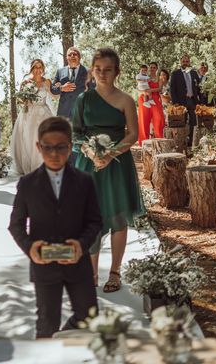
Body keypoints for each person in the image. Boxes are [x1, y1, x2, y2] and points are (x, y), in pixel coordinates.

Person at [9, 117, 102, 338]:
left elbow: (95, 221)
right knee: (46, 323)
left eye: (60, 147)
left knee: (89, 318)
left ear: (70, 147)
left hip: (78, 264)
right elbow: (16, 225)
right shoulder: (28, 184)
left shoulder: (84, 181)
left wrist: (80, 245)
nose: (54, 154)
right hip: (44, 266)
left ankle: (63, 342)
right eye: (48, 148)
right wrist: (30, 248)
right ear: (38, 147)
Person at [72, 48, 144, 293]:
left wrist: (111, 153)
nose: (102, 74)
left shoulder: (126, 100)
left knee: (117, 217)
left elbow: (133, 133)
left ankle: (114, 272)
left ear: (117, 72)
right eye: (98, 69)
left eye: (108, 69)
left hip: (117, 165)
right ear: (92, 70)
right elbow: (76, 133)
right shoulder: (83, 99)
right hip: (88, 164)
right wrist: (91, 152)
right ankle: (91, 272)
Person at [10, 59, 55, 175]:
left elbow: (54, 96)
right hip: (28, 113)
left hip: (44, 113)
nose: (38, 70)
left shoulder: (47, 82)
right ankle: (31, 167)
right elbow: (19, 99)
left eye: (40, 67)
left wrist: (63, 89)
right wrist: (26, 100)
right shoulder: (26, 82)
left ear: (43, 69)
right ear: (32, 68)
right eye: (35, 67)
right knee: (29, 139)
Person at [169, 54, 201, 146]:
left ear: (189, 62)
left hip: (192, 100)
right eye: (183, 61)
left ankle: (191, 141)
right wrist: (175, 102)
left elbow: (199, 88)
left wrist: (200, 101)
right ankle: (181, 142)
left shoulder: (194, 73)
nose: (185, 63)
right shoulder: (175, 73)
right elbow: (172, 89)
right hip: (181, 102)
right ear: (180, 62)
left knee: (193, 121)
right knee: (181, 122)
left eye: (187, 61)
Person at [50, 47, 88, 119]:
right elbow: (53, 89)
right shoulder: (60, 71)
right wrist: (61, 88)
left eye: (75, 54)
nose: (72, 56)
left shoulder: (88, 72)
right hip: (63, 113)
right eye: (70, 55)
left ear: (79, 57)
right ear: (66, 58)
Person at [138, 62, 166, 144]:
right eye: (151, 67)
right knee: (144, 119)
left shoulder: (159, 79)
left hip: (155, 99)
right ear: (149, 68)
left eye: (154, 67)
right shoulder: (144, 77)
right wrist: (144, 92)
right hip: (144, 99)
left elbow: (160, 88)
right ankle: (143, 142)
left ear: (157, 69)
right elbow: (138, 87)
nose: (152, 69)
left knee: (159, 118)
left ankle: (159, 141)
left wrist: (150, 90)